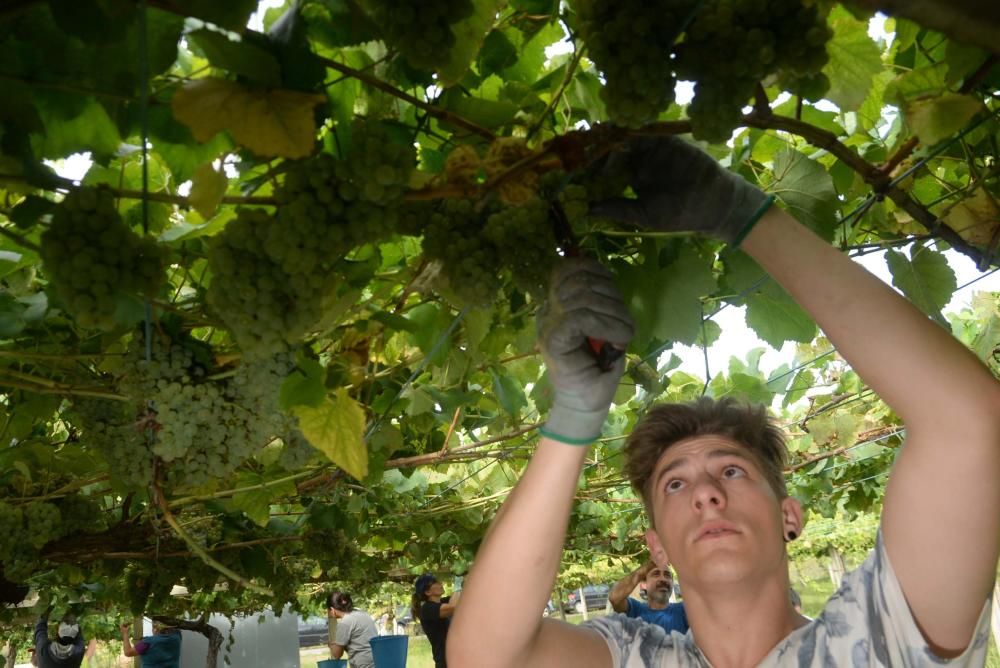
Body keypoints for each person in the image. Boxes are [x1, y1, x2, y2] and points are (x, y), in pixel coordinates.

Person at [450, 136, 999, 667]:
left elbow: (968, 423)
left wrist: (746, 217)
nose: (707, 495)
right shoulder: (633, 657)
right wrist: (571, 419)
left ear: (790, 516)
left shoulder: (878, 641)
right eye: (675, 483)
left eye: (733, 471)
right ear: (656, 547)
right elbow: (485, 657)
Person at [608, 559, 688, 634]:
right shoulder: (635, 610)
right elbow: (614, 598)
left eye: (667, 576)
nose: (663, 579)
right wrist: (645, 568)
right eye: (656, 574)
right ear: (644, 585)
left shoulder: (683, 610)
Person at [412, 573, 461, 668]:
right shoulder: (426, 609)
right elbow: (453, 607)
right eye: (435, 583)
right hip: (445, 662)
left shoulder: (442, 602)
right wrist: (457, 586)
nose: (440, 584)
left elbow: (460, 598)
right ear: (427, 592)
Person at [327, 591, 377, 668]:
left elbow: (337, 655)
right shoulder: (362, 613)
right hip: (376, 661)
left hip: (362, 664)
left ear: (332, 610)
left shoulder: (344, 623)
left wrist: (331, 645)